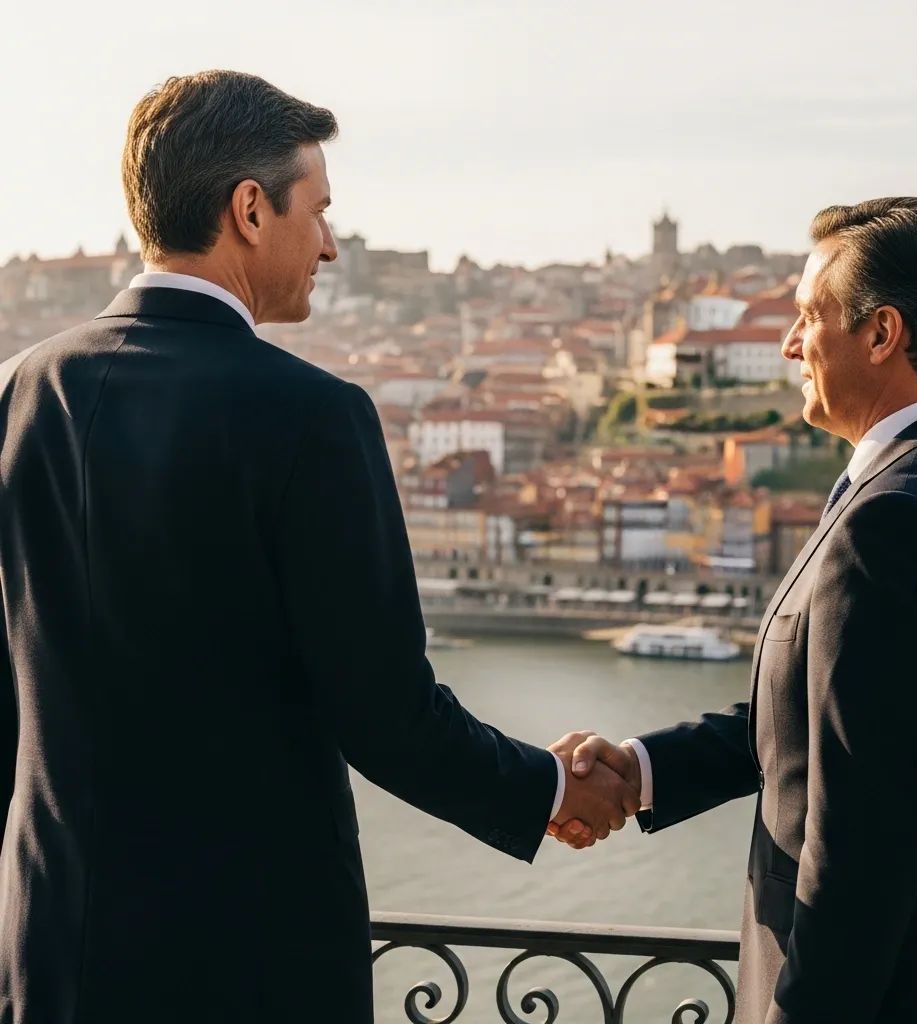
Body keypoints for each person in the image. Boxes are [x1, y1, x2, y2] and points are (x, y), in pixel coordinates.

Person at [0, 71, 638, 1024]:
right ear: (249, 211)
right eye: (321, 210)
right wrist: (548, 786)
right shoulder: (311, 416)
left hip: (47, 940)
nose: (332, 245)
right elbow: (384, 711)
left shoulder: (15, 394)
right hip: (246, 958)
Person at [549, 198, 917, 1023]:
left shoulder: (893, 521)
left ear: (882, 334)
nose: (789, 343)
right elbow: (837, 716)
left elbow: (863, 849)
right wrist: (642, 770)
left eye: (810, 316)